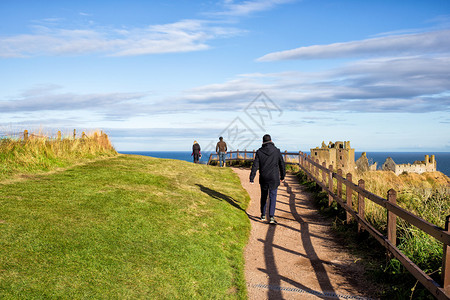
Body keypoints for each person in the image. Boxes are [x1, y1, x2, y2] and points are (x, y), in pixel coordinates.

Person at [249, 134, 286, 224]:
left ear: (263, 142)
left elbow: (255, 165)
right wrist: (282, 176)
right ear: (271, 141)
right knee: (273, 196)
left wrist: (252, 177)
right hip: (274, 177)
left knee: (264, 196)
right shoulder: (276, 151)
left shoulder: (259, 152)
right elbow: (282, 164)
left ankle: (263, 215)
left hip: (264, 177)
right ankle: (271, 217)